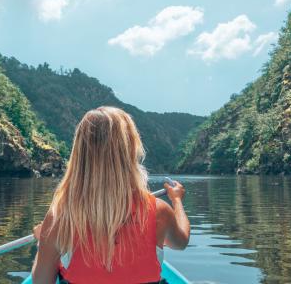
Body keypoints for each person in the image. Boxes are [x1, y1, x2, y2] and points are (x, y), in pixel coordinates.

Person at [31, 106, 190, 284]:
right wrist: (176, 200)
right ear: (130, 152)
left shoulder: (59, 218)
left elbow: (41, 282)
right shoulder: (160, 212)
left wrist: (43, 243)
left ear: (80, 155)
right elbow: (181, 242)